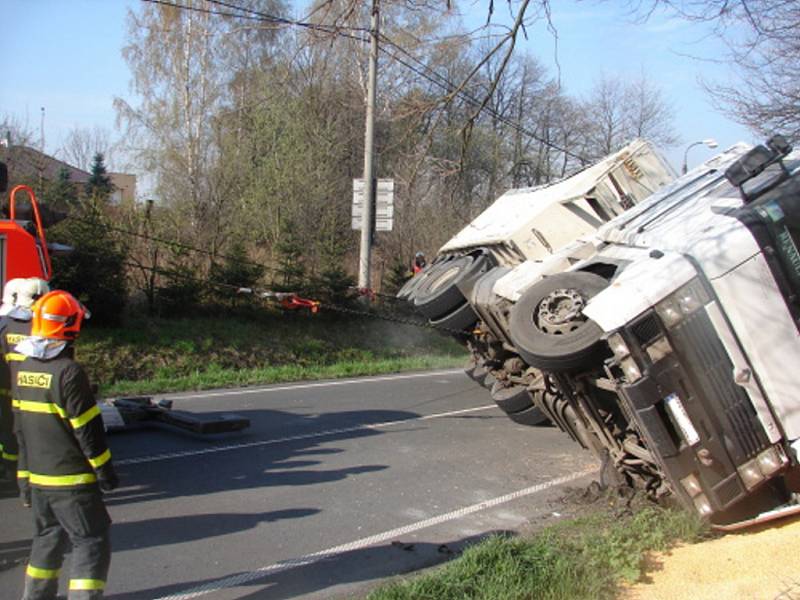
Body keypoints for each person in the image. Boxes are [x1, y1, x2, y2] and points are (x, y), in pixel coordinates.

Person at [13, 290, 118, 600]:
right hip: (72, 482)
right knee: (91, 540)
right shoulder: (68, 373)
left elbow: (20, 429)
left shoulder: (24, 369)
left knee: (46, 539)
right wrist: (105, 472)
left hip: (39, 481)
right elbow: (89, 431)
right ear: (70, 326)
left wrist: (24, 478)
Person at [0, 278, 50, 492]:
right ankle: (29, 480)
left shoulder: (5, 325)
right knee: (33, 437)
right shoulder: (42, 325)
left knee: (10, 433)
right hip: (36, 390)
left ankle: (12, 473)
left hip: (7, 391)